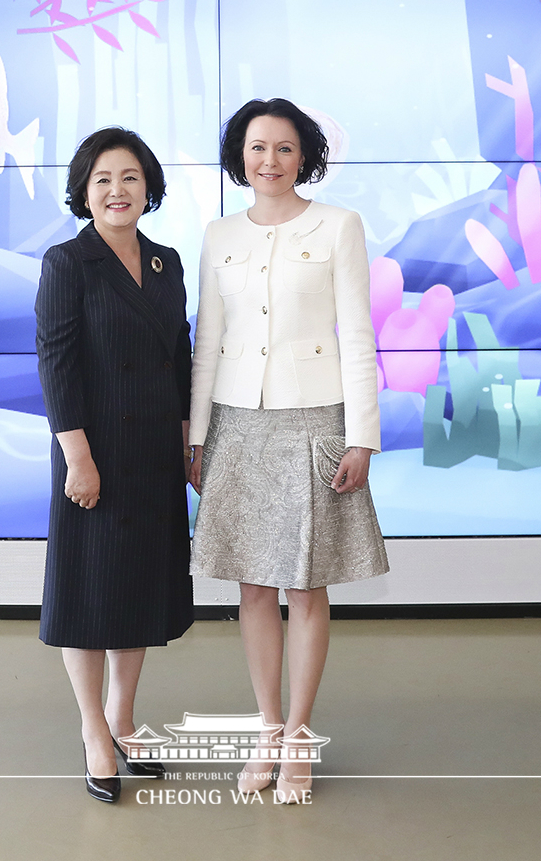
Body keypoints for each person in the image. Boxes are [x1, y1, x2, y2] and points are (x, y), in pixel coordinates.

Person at [188, 98, 388, 802]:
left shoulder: (338, 226)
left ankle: (299, 737)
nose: (267, 160)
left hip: (314, 418)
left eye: (281, 147)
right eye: (255, 147)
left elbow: (358, 336)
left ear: (304, 155)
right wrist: (194, 435)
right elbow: (206, 340)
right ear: (237, 156)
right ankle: (266, 729)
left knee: (305, 584)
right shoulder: (217, 234)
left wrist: (360, 435)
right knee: (251, 585)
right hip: (236, 423)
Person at [36, 127, 193, 804]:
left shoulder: (166, 262)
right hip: (93, 453)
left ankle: (125, 717)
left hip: (156, 452)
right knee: (89, 592)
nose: (116, 190)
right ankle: (92, 728)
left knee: (137, 590)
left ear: (147, 188)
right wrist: (78, 458)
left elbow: (180, 360)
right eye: (102, 179)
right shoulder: (68, 262)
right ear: (83, 191)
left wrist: (189, 443)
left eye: (129, 177)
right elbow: (57, 364)